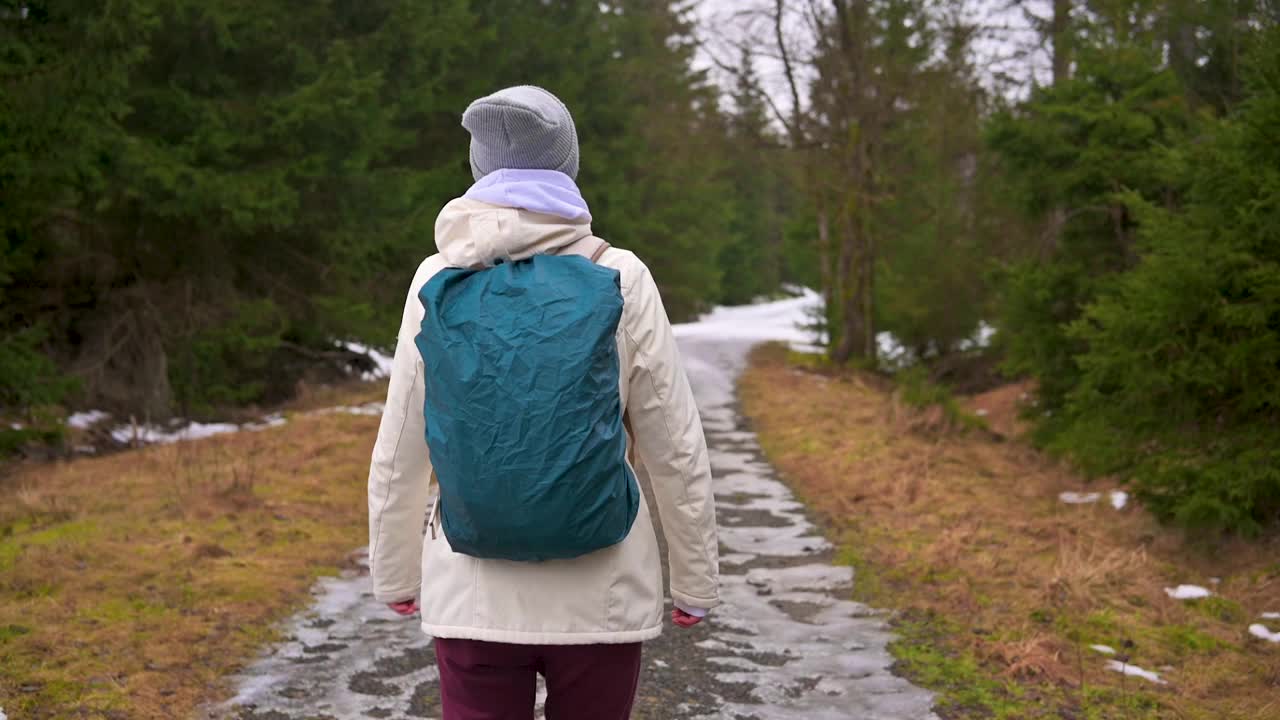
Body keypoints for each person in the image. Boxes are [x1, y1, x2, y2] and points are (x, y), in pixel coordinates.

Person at [366, 85, 720, 720]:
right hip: (601, 594)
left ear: (480, 171)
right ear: (567, 166)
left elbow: (401, 442)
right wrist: (695, 580)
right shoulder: (620, 273)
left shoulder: (436, 279)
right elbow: (673, 439)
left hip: (471, 589)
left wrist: (394, 573)